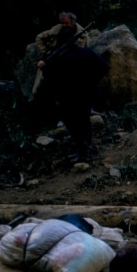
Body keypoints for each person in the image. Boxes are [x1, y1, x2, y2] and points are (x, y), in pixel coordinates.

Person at [34, 12, 107, 162]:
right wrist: (91, 81)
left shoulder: (58, 59)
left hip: (67, 97)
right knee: (84, 119)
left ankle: (82, 151)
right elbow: (104, 67)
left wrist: (44, 66)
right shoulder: (86, 52)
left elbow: (50, 77)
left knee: (73, 124)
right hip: (86, 93)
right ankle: (87, 147)